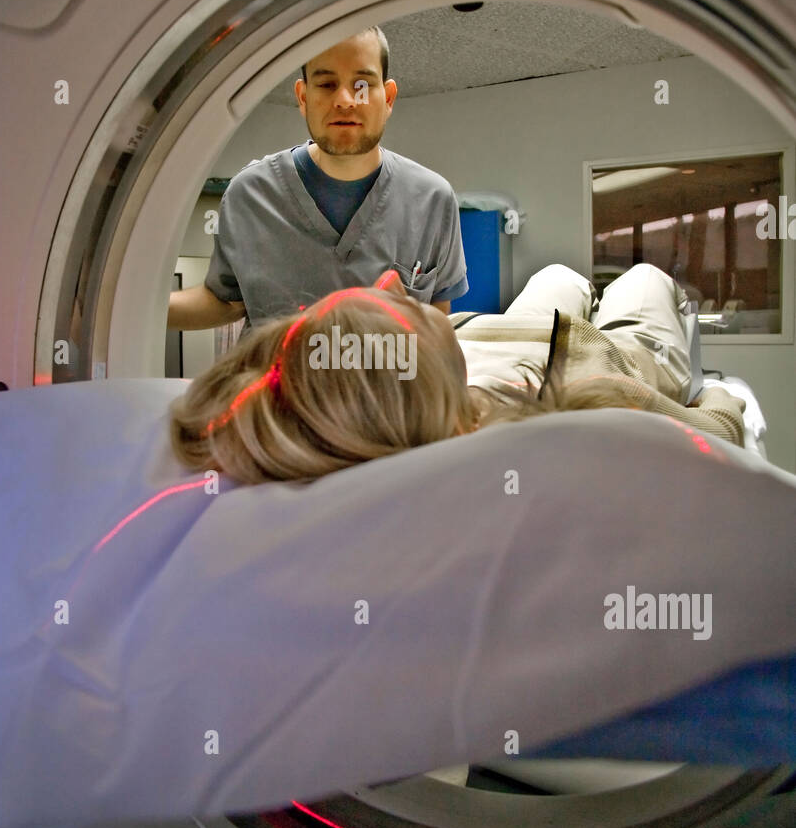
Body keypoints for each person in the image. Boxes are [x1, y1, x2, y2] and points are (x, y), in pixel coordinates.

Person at [169, 263, 745, 485]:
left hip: (496, 329)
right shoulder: (584, 403)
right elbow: (719, 429)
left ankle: (572, 283)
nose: (393, 282)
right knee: (642, 277)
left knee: (559, 273)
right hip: (613, 351)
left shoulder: (423, 386)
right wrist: (725, 387)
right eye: (393, 308)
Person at [167, 26, 468, 331]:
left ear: (388, 98)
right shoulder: (250, 194)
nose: (346, 100)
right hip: (277, 379)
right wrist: (127, 306)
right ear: (303, 97)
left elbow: (435, 322)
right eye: (326, 84)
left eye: (362, 84)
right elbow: (226, 301)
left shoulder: (433, 200)